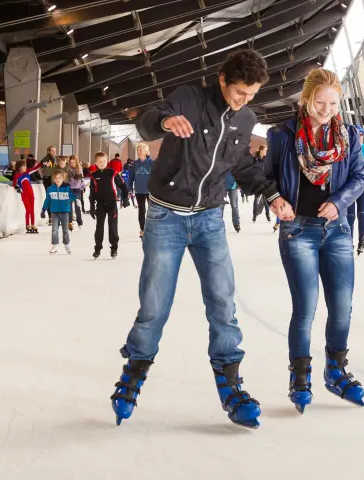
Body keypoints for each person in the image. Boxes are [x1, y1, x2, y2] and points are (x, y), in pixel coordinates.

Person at [111, 49, 293, 429]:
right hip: (166, 216)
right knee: (155, 304)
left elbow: (241, 164)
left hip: (209, 217)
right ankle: (133, 374)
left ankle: (231, 385)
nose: (245, 101)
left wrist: (272, 194)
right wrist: (165, 121)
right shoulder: (189, 98)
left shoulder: (246, 119)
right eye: (240, 92)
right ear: (223, 79)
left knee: (223, 302)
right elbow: (147, 120)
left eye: (252, 94)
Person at [265, 68, 364, 414]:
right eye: (320, 102)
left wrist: (338, 203)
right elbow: (266, 179)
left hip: (336, 232)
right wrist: (274, 199)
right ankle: (300, 377)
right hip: (298, 232)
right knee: (305, 309)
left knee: (341, 308)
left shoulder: (351, 136)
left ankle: (336, 371)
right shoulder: (282, 134)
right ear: (306, 99)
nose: (326, 109)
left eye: (333, 103)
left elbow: (359, 177)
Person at [89, 152, 127, 259]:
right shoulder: (94, 176)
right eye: (100, 161)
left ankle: (114, 248)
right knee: (99, 228)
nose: (102, 163)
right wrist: (92, 207)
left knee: (113, 228)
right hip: (100, 205)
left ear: (107, 161)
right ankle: (97, 248)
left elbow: (123, 185)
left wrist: (125, 199)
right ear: (96, 163)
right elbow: (92, 193)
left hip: (112, 204)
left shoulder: (112, 173)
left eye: (104, 161)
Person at [347, 125, 364, 255]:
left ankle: (361, 241)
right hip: (350, 188)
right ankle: (349, 241)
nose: (359, 138)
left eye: (361, 135)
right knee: (350, 216)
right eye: (357, 135)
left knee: (362, 214)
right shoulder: (347, 149)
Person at [41, 170, 75, 254]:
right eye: (55, 178)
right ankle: (54, 245)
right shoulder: (50, 189)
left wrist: (76, 199)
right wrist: (44, 209)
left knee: (65, 230)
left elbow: (72, 197)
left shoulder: (67, 188)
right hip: (54, 212)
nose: (57, 180)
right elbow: (47, 200)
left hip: (64, 212)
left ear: (63, 178)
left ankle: (67, 244)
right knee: (54, 229)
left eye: (59, 178)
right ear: (53, 179)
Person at [13, 158, 44, 233]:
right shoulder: (16, 175)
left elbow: (35, 168)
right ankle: (27, 225)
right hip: (24, 194)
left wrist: (42, 163)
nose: (25, 167)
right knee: (28, 210)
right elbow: (14, 184)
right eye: (24, 166)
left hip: (31, 193)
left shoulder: (27, 172)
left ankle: (33, 224)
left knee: (32, 209)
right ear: (19, 167)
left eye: (25, 166)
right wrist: (17, 188)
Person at [129, 142, 153, 238]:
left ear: (146, 151)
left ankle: (151, 230)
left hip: (150, 191)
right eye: (138, 150)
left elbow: (157, 175)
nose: (139, 151)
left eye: (140, 150)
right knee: (141, 211)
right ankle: (142, 230)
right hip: (139, 191)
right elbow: (131, 177)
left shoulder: (151, 163)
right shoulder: (135, 164)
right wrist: (129, 188)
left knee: (151, 212)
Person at [252, 144, 272, 223]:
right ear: (261, 150)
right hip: (257, 182)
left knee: (266, 200)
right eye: (265, 150)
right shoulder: (255, 159)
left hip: (265, 182)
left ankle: (267, 215)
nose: (266, 152)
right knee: (256, 200)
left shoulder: (267, 159)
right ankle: (254, 216)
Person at [66, 155, 85, 228]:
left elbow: (82, 178)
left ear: (76, 162)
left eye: (74, 162)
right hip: (70, 189)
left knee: (78, 206)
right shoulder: (68, 169)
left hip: (77, 189)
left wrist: (82, 186)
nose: (72, 164)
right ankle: (69, 222)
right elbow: (65, 179)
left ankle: (80, 223)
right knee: (69, 207)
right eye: (71, 162)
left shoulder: (79, 168)